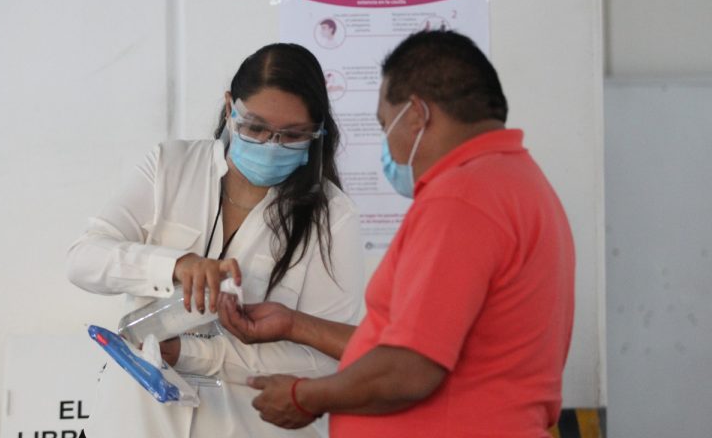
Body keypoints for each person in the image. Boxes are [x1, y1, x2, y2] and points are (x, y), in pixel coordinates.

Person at [219, 30, 576, 437]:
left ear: (418, 115)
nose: (387, 146)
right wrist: (295, 325)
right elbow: (416, 345)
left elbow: (409, 369)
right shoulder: (520, 183)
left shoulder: (461, 200)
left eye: (386, 125)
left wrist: (306, 396)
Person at [66, 43, 366, 438]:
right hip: (138, 422)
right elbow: (83, 260)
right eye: (255, 127)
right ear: (229, 108)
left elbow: (322, 361)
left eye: (292, 135)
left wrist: (194, 354)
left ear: (317, 132)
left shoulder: (332, 216)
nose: (270, 145)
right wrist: (175, 265)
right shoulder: (170, 166)